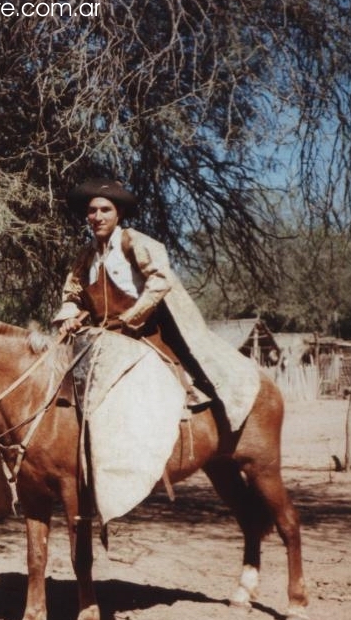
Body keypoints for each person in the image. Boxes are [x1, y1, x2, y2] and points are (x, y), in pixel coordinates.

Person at [51, 177, 259, 432]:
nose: (98, 216)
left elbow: (160, 280)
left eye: (105, 210)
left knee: (161, 386)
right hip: (100, 337)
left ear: (120, 213)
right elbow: (72, 293)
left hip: (140, 332)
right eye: (92, 211)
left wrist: (131, 316)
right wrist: (70, 316)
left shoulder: (135, 242)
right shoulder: (85, 255)